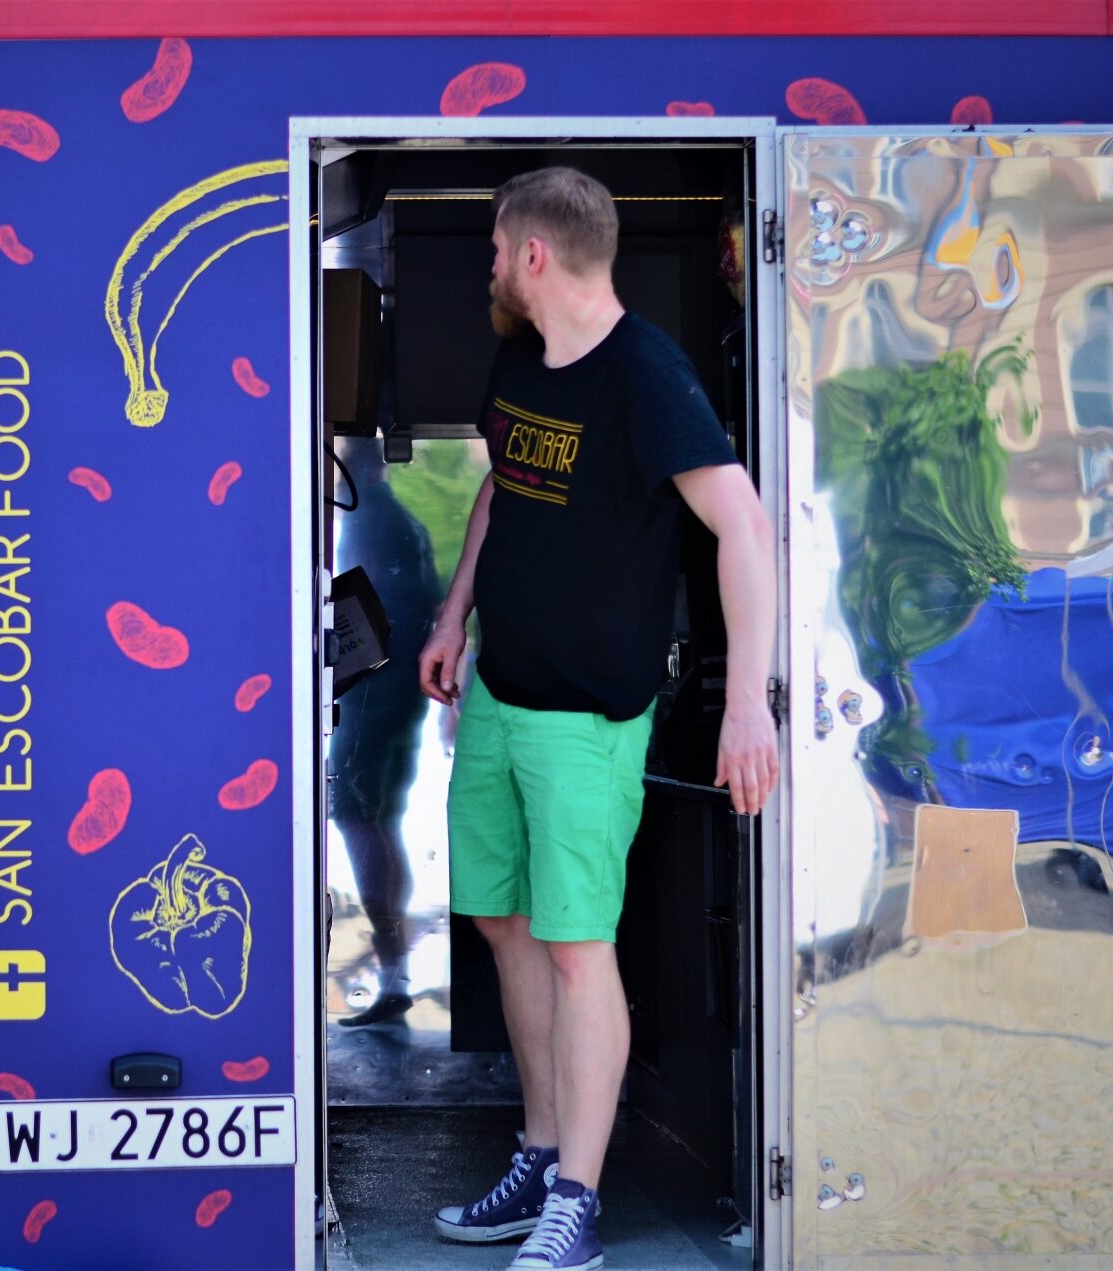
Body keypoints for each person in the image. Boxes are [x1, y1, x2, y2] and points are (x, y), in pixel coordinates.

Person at [421, 167, 778, 1271]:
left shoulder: (647, 375)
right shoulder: (522, 355)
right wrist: (454, 609)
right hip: (498, 692)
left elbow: (743, 525)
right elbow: (501, 485)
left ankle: (577, 1203)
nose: (489, 266)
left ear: (535, 254)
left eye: (496, 248)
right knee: (504, 921)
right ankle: (540, 1153)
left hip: (588, 719)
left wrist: (750, 702)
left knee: (579, 946)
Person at [328, 435, 443, 1027]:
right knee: (377, 819)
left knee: (357, 816)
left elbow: (361, 613)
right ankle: (394, 973)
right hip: (398, 694)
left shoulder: (368, 520)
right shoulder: (404, 524)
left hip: (375, 694)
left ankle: (393, 967)